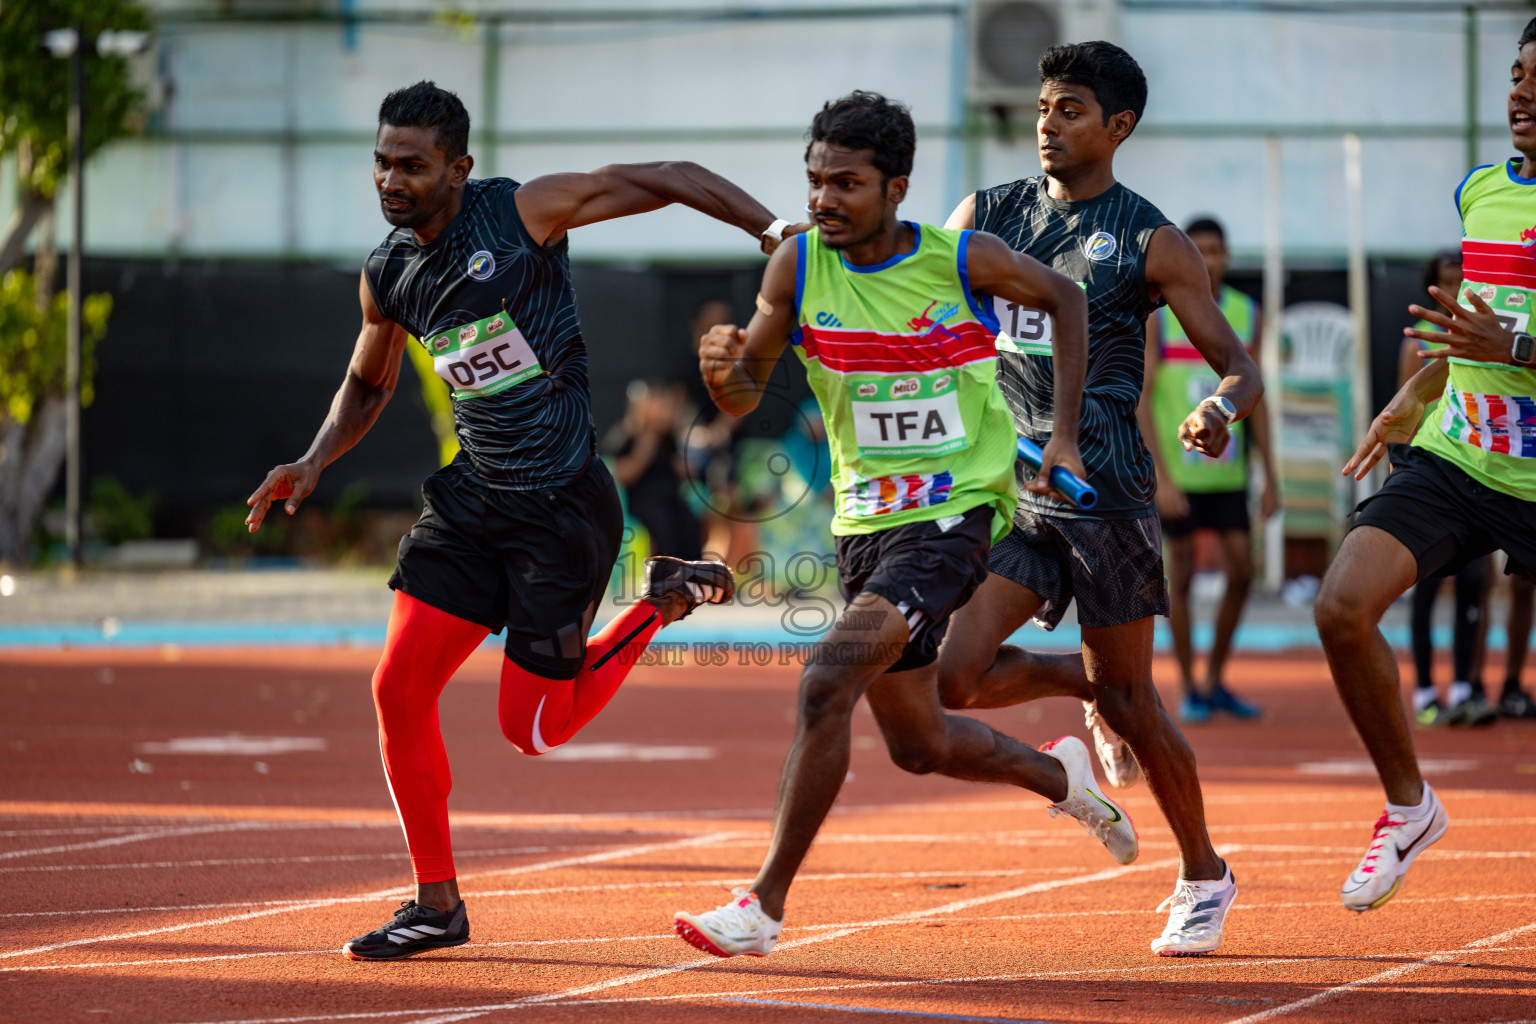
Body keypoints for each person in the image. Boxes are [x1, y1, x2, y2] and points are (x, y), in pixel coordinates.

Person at [244, 81, 798, 960]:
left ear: (458, 168)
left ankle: (657, 599)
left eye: (413, 165)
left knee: (533, 730)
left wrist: (772, 233)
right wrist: (312, 461)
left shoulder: (523, 213)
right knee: (395, 689)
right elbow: (369, 381)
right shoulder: (387, 270)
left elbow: (664, 174)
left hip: (563, 509)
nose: (392, 179)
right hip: (473, 504)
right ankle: (436, 903)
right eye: (383, 162)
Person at [672, 91, 1129, 960]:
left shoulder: (963, 261)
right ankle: (1058, 772)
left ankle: (761, 908)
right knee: (920, 746)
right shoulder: (797, 270)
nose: (823, 200)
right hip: (862, 526)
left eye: (846, 183)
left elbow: (1068, 301)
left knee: (824, 681)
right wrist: (721, 369)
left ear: (897, 188)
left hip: (953, 518)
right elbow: (742, 395)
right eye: (814, 182)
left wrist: (1062, 434)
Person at [933, 42, 1264, 956]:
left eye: (1071, 108)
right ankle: (1089, 694)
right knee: (953, 677)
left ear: (1118, 127)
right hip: (1011, 495)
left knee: (1139, 708)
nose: (1048, 122)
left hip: (1105, 496)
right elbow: (927, 313)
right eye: (1043, 106)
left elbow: (1239, 366)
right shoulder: (987, 216)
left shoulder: (1152, 240)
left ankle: (1204, 873)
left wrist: (1216, 406)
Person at [1323, 18, 1536, 912]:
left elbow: (1505, 331)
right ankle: (1410, 808)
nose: (1521, 92)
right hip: (1458, 456)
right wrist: (1422, 390)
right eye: (1518, 74)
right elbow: (1471, 331)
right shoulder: (1481, 190)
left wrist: (1518, 345)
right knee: (1340, 606)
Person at [1141, 216, 1277, 723]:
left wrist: (1271, 477)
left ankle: (1215, 677)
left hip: (1229, 473)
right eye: (1198, 251)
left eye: (1216, 250)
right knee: (1182, 577)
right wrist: (1162, 477)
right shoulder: (1160, 315)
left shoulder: (1246, 312)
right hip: (1179, 475)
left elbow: (1256, 398)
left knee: (1243, 570)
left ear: (1227, 255)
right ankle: (1189, 684)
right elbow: (1144, 396)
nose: (1209, 259)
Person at [1396, 251, 1497, 727]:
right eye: (1445, 279)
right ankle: (1423, 692)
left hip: (1479, 470)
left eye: (1462, 276)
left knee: (1476, 581)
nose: (1456, 284)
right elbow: (1404, 410)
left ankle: (1464, 686)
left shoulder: (1489, 337)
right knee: (1427, 584)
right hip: (1432, 473)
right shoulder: (1417, 343)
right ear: (1432, 286)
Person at [607, 378, 702, 559]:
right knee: (661, 523)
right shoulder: (627, 435)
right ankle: (664, 573)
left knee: (688, 521)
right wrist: (646, 444)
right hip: (643, 502)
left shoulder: (669, 440)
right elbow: (621, 474)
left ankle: (692, 573)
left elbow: (684, 472)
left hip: (671, 499)